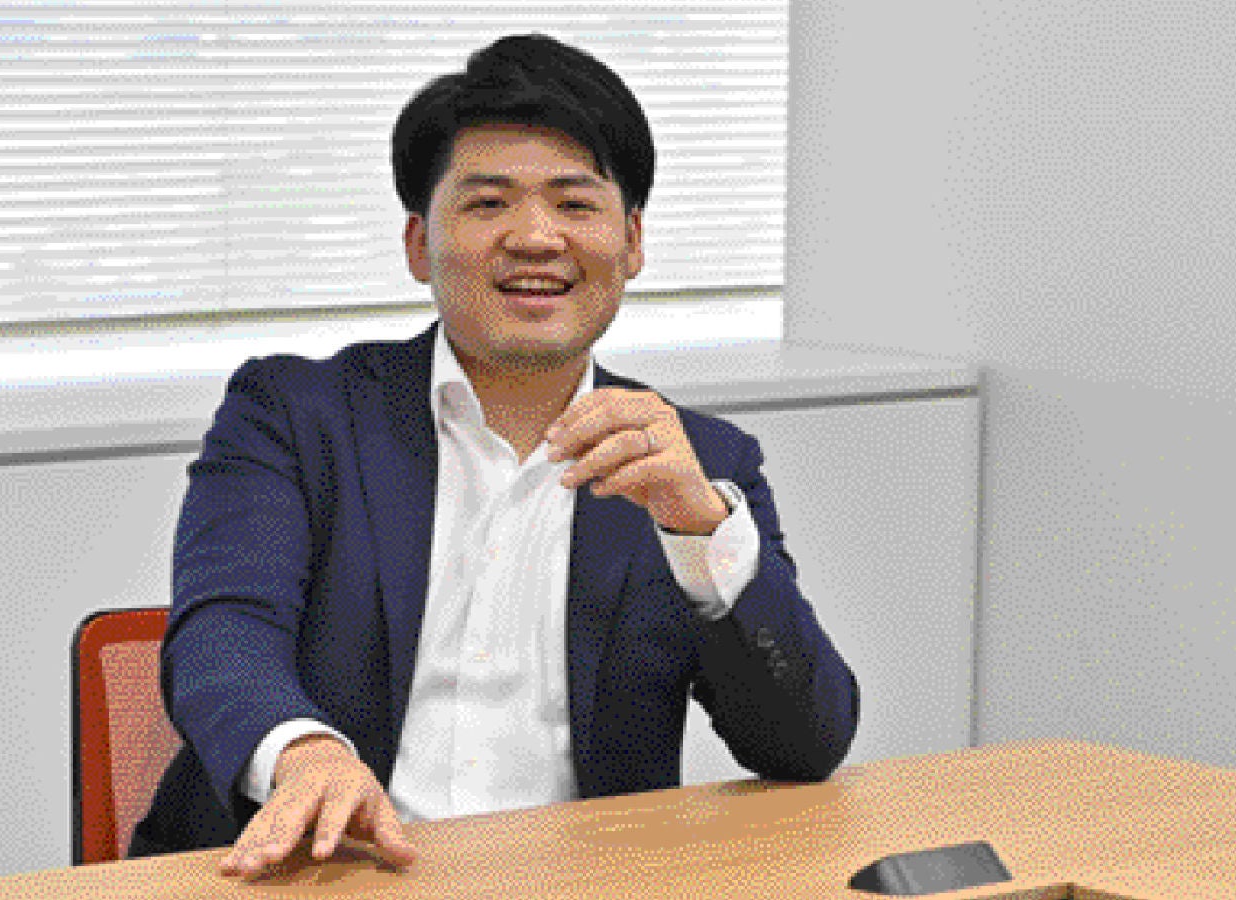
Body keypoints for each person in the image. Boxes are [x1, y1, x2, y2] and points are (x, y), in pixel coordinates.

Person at [128, 33, 859, 879]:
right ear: (416, 244)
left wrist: (703, 532)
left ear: (632, 243)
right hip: (325, 871)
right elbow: (224, 629)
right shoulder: (296, 416)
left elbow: (806, 744)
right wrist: (308, 756)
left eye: (575, 204)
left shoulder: (696, 465)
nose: (536, 237)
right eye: (488, 204)